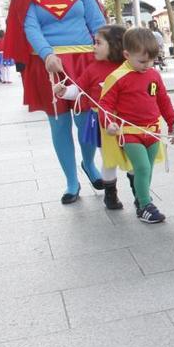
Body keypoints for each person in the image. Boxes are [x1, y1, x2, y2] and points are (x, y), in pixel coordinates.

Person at [3, 0, 107, 204]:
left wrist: (107, 50)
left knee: (86, 119)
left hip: (84, 61)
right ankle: (71, 182)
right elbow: (29, 27)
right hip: (49, 64)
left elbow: (97, 21)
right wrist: (47, 54)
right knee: (59, 123)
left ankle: (89, 164)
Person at [98, 28, 174, 224]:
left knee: (147, 169)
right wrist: (109, 123)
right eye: (142, 61)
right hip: (130, 133)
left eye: (151, 61)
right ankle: (145, 205)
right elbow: (104, 104)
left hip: (153, 131)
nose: (147, 65)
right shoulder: (117, 77)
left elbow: (164, 100)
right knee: (141, 167)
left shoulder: (153, 74)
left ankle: (141, 201)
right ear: (126, 55)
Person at [54, 25, 130, 210]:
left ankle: (141, 198)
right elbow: (78, 89)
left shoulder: (128, 67)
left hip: (128, 123)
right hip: (103, 124)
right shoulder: (92, 68)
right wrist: (64, 92)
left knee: (133, 160)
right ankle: (111, 195)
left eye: (98, 43)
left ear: (114, 45)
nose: (93, 47)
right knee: (109, 159)